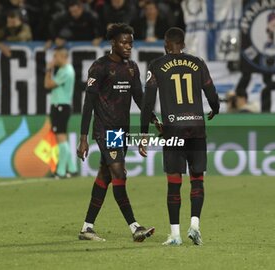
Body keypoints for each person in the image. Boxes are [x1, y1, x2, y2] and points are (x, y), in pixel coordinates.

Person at [77, 23, 160, 242]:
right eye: (124, 42)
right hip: (105, 129)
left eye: (130, 42)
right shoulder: (100, 67)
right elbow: (88, 105)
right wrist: (83, 138)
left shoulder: (132, 67)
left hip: (121, 130)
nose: (128, 46)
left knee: (105, 176)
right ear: (113, 43)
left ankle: (87, 227)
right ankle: (135, 227)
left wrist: (153, 118)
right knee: (119, 174)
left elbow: (140, 99)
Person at [140, 27, 220, 246]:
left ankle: (175, 234)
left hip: (173, 129)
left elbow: (148, 103)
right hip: (196, 128)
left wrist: (144, 133)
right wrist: (216, 108)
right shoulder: (198, 63)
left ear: (166, 44)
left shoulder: (156, 66)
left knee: (174, 183)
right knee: (197, 179)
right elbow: (211, 93)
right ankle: (195, 225)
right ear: (183, 44)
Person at [44, 46, 77, 179]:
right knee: (62, 138)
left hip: (60, 106)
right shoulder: (66, 70)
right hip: (62, 106)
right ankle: (72, 168)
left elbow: (48, 84)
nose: (53, 59)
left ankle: (61, 171)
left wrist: (48, 69)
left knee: (61, 138)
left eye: (55, 56)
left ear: (63, 57)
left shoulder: (65, 71)